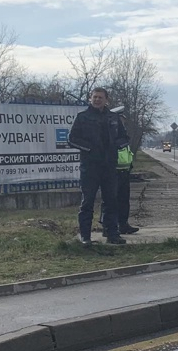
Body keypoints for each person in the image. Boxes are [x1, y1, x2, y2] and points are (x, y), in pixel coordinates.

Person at [68, 88, 130, 245]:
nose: (97, 100)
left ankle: (112, 234)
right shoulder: (82, 117)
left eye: (100, 97)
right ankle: (85, 236)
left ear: (106, 100)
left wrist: (114, 146)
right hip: (90, 166)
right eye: (94, 97)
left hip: (109, 166)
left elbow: (124, 138)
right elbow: (72, 139)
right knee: (87, 201)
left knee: (111, 201)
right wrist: (90, 148)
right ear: (90, 98)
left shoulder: (113, 117)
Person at [101, 106, 139, 235]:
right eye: (121, 118)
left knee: (124, 200)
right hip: (113, 171)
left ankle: (123, 224)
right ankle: (108, 226)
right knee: (111, 200)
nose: (123, 121)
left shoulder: (122, 133)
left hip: (124, 171)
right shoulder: (109, 132)